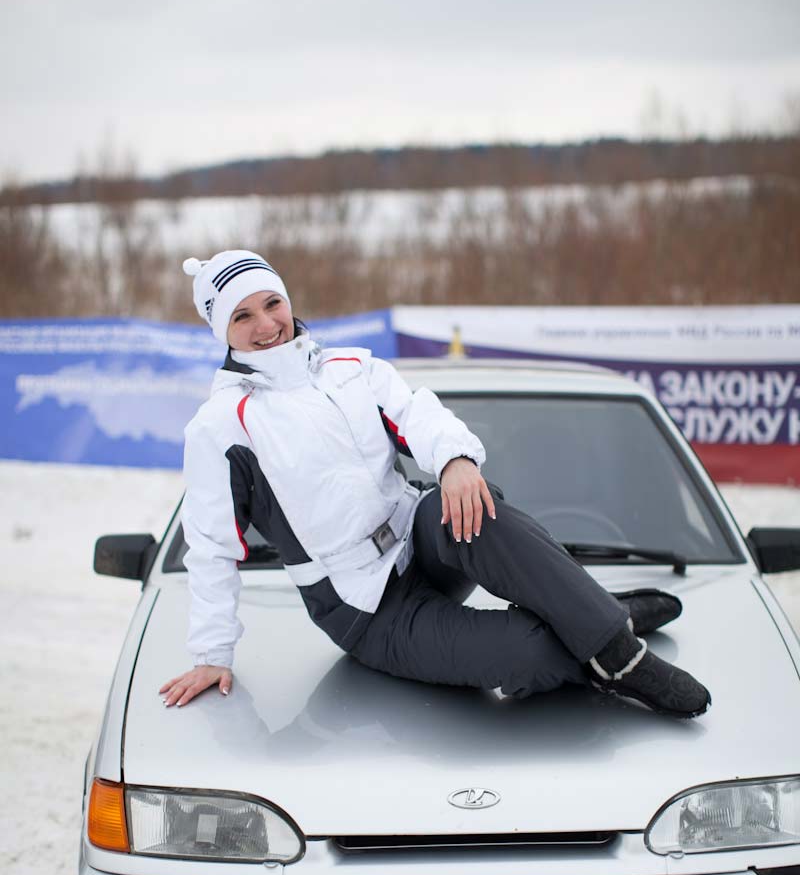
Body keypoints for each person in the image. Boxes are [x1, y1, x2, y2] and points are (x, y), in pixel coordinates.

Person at [160, 250, 711, 718]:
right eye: (242, 316)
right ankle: (594, 616)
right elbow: (210, 546)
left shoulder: (349, 367)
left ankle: (617, 653)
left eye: (272, 303)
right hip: (363, 605)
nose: (265, 325)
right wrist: (212, 654)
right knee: (529, 656)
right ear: (222, 332)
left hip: (416, 539)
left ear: (287, 300)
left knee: (479, 507)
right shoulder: (221, 426)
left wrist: (454, 462)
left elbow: (417, 414)